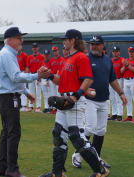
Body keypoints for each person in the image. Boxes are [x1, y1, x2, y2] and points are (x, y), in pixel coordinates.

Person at [39, 30, 110, 177]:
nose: (63, 42)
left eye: (65, 39)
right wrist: (49, 75)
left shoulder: (81, 57)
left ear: (73, 41)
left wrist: (76, 97)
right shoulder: (67, 59)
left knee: (76, 137)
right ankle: (57, 173)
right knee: (58, 135)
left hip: (74, 101)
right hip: (63, 100)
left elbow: (88, 79)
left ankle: (100, 171)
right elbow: (61, 81)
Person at [0, 27, 50, 177]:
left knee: (7, 131)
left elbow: (11, 79)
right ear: (10, 40)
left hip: (5, 97)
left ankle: (2, 167)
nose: (21, 41)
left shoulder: (5, 54)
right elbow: (16, 77)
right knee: (13, 132)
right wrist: (37, 75)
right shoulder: (7, 54)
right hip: (9, 98)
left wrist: (26, 92)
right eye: (18, 38)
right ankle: (12, 170)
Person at [72, 37, 127, 169]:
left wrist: (121, 93)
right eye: (92, 44)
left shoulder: (108, 59)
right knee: (90, 128)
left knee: (101, 130)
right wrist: (85, 89)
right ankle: (77, 153)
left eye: (97, 44)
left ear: (103, 46)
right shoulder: (85, 58)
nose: (94, 47)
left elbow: (112, 79)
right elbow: (76, 78)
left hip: (104, 99)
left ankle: (96, 159)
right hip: (89, 100)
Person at [120, 46, 134, 123]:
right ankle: (129, 116)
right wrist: (125, 65)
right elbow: (122, 72)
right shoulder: (126, 60)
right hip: (126, 80)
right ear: (128, 52)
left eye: (132, 51)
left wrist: (128, 65)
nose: (131, 53)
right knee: (127, 99)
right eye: (130, 51)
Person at [25, 43, 44, 112]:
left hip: (38, 74)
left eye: (36, 47)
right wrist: (26, 76)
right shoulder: (29, 57)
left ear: (38, 48)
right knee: (30, 91)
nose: (35, 48)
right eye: (34, 47)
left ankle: (38, 107)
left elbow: (42, 66)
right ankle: (31, 107)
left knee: (38, 92)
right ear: (32, 48)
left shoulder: (41, 56)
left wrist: (40, 77)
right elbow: (27, 67)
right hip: (31, 74)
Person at [108, 46, 124, 121]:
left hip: (119, 79)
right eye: (114, 51)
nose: (115, 53)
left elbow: (123, 72)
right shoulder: (110, 60)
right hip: (111, 81)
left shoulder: (122, 60)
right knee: (113, 99)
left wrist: (123, 82)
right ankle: (114, 114)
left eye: (116, 51)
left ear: (119, 52)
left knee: (118, 98)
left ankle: (120, 115)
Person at [48, 45, 64, 114]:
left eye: (56, 50)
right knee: (53, 93)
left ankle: (60, 107)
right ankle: (55, 108)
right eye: (54, 51)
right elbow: (49, 69)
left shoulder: (62, 59)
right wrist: (47, 79)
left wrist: (57, 77)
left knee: (58, 93)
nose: (55, 52)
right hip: (52, 76)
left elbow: (60, 69)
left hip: (59, 76)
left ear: (59, 50)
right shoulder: (51, 60)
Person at [17, 47, 28, 111]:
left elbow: (27, 65)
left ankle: (24, 105)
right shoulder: (14, 55)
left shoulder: (24, 55)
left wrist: (25, 74)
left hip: (23, 72)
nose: (18, 48)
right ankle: (20, 105)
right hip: (17, 73)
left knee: (23, 88)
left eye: (20, 47)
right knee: (18, 89)